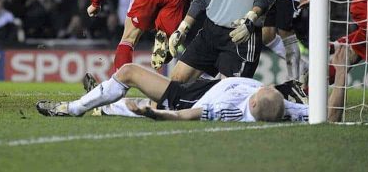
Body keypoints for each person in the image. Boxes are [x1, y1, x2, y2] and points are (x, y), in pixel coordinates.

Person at [36, 64, 308, 122]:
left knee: (129, 72)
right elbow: (320, 113)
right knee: (134, 99)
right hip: (204, 85)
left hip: (189, 95)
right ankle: (102, 102)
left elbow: (184, 115)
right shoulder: (286, 108)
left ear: (255, 98)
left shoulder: (232, 110)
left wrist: (155, 114)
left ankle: (73, 108)